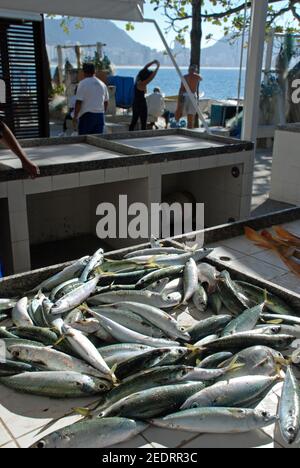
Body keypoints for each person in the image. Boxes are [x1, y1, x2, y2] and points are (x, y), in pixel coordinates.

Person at [73, 63, 109, 135]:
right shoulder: (102, 84)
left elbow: (79, 102)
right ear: (94, 71)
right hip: (100, 116)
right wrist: (102, 112)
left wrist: (75, 116)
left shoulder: (82, 83)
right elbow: (106, 102)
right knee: (97, 141)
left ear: (83, 72)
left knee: (84, 140)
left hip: (87, 116)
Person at [129, 60, 160, 131]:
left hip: (135, 103)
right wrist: (157, 67)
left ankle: (130, 133)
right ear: (145, 77)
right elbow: (151, 78)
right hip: (141, 103)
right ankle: (143, 136)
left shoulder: (138, 78)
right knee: (143, 122)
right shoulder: (142, 83)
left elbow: (145, 67)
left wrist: (153, 62)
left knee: (134, 121)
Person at [175, 65, 203, 129]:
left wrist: (180, 97)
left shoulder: (185, 77)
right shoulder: (197, 76)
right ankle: (189, 128)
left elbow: (181, 88)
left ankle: (178, 123)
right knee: (190, 115)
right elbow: (201, 79)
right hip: (192, 96)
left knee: (181, 112)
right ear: (195, 70)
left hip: (185, 95)